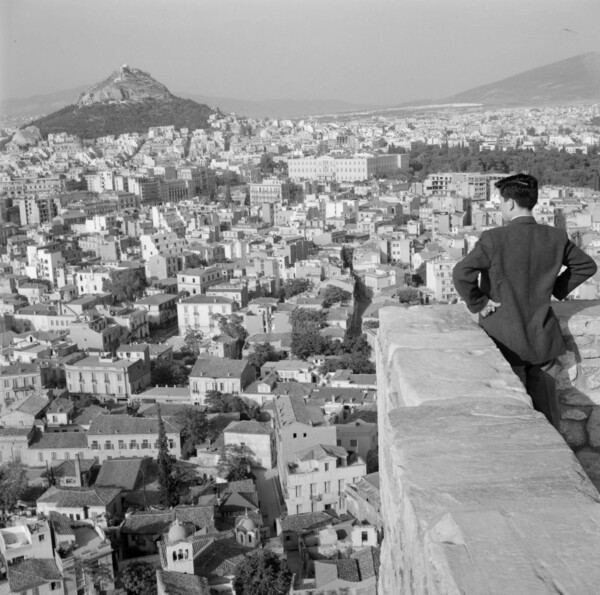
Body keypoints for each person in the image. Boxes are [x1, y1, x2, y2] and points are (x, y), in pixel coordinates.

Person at [452, 173, 597, 428]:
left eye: (500, 201)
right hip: (543, 343)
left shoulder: (494, 239)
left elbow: (461, 274)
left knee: (513, 419)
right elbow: (586, 266)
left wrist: (480, 303)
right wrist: (557, 288)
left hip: (505, 342)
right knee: (550, 419)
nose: (499, 206)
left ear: (509, 203)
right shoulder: (555, 237)